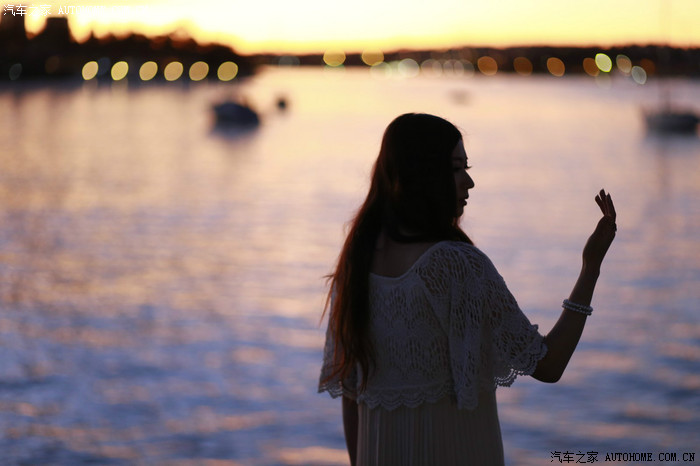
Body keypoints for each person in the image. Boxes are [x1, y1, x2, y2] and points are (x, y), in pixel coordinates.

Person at [318, 113, 617, 465]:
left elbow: (351, 395)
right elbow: (548, 365)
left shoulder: (355, 265)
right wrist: (591, 267)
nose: (469, 182)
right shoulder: (455, 266)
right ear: (424, 175)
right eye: (456, 169)